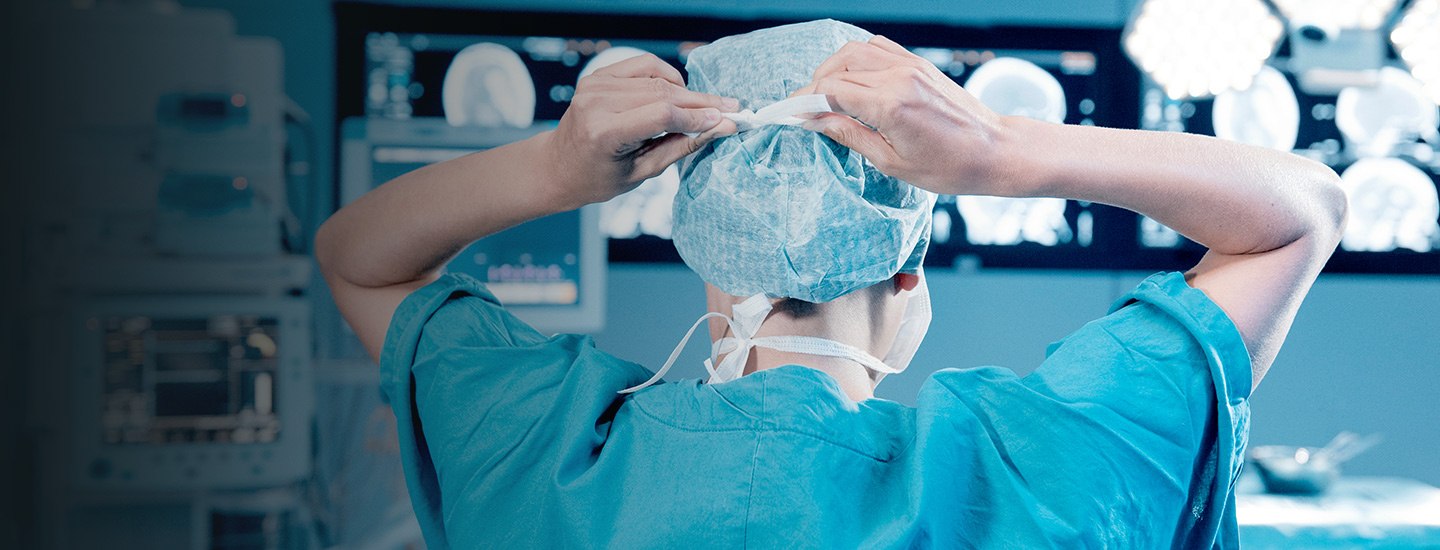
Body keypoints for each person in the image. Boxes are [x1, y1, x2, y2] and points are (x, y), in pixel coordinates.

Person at [317, 20, 1347, 550]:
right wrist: (1001, 150)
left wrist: (555, 169)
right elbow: (1301, 212)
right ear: (910, 271)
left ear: (709, 266)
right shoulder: (1043, 466)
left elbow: (358, 253)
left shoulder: (539, 451)